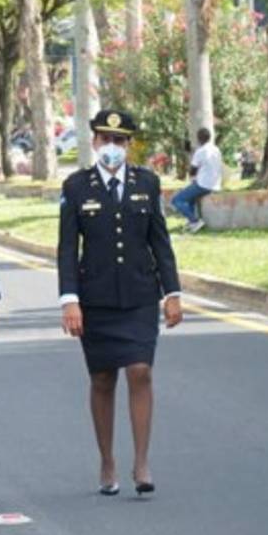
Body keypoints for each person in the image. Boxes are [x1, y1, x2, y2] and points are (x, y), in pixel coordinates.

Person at [59, 109, 183, 497]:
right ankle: (107, 460)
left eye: (120, 141)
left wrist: (172, 293)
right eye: (105, 139)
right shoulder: (77, 186)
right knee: (102, 378)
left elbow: (160, 242)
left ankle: (142, 461)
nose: (112, 147)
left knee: (140, 370)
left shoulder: (147, 183)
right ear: (94, 141)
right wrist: (69, 300)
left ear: (129, 145)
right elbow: (67, 249)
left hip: (139, 295)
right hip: (94, 299)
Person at [171, 128, 222, 233]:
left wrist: (192, 176)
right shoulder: (216, 150)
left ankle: (195, 221)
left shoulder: (200, 151)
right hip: (215, 184)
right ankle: (191, 222)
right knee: (190, 199)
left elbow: (193, 170)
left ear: (199, 138)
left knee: (177, 200)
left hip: (203, 184)